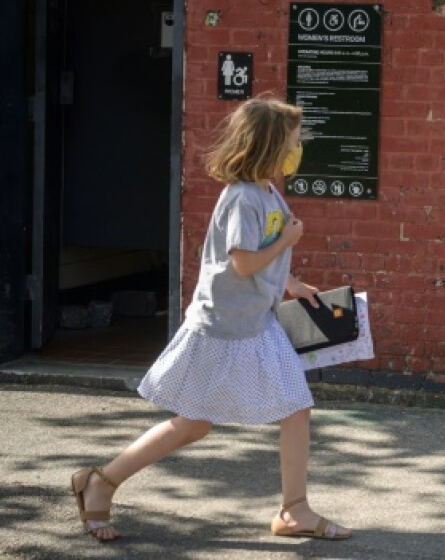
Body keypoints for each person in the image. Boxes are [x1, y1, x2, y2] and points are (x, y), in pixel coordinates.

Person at [69, 97, 352, 542]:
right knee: (193, 424)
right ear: (270, 145)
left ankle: (294, 511)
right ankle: (100, 482)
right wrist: (288, 242)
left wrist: (292, 283)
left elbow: (261, 252)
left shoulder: (267, 190)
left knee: (296, 408)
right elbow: (242, 262)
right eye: (294, 142)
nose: (298, 149)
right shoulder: (241, 198)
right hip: (222, 329)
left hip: (256, 324)